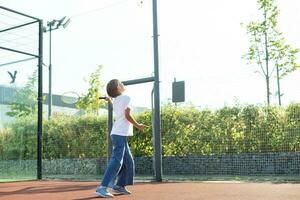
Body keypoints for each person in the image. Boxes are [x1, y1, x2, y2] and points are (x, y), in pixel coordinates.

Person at [96, 79, 146, 198]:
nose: (123, 84)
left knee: (128, 161)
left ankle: (119, 185)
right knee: (117, 161)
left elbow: (114, 103)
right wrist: (138, 125)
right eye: (121, 83)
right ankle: (102, 187)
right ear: (118, 88)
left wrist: (109, 99)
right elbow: (127, 115)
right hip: (119, 134)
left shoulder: (117, 100)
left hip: (118, 134)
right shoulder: (127, 98)